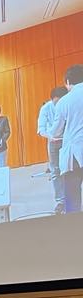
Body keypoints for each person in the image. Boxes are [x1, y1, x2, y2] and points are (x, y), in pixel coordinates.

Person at [52, 64, 83, 214]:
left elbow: (56, 131)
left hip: (75, 156)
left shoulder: (64, 101)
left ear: (68, 81)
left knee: (73, 199)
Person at [38, 86, 69, 211]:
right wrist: (50, 136)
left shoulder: (68, 105)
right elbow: (41, 129)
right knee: (55, 171)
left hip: (67, 141)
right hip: (53, 142)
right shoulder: (45, 108)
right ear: (52, 99)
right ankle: (60, 201)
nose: (59, 105)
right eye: (56, 102)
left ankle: (71, 198)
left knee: (70, 170)